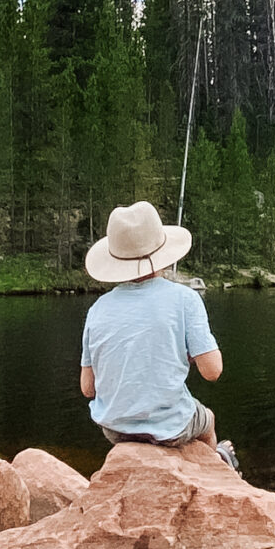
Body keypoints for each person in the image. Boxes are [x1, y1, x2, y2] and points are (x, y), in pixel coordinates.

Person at [79, 199, 237, 468]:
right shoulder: (185, 299)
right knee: (206, 419)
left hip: (114, 429)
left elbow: (88, 388)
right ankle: (217, 467)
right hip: (171, 426)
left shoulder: (97, 309)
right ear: (161, 252)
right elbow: (213, 371)